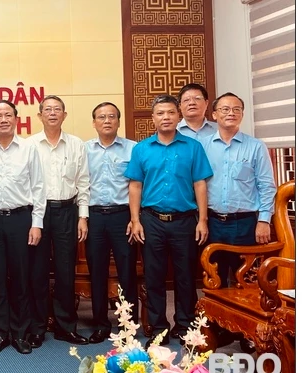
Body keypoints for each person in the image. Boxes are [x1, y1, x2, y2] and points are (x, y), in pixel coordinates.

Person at [125, 95, 212, 348]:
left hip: (185, 221)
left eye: (170, 113)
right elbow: (135, 186)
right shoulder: (141, 149)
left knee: (186, 276)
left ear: (178, 116)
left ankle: (184, 325)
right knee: (153, 276)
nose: (166, 117)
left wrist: (202, 220)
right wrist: (135, 219)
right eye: (160, 113)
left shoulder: (193, 147)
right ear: (153, 118)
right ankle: (158, 327)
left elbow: (200, 184)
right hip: (151, 220)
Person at [0, 100, 46, 355]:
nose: (3, 119)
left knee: (20, 278)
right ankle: (0, 333)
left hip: (21, 219)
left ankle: (20, 333)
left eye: (8, 115)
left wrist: (37, 223)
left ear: (16, 118)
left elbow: (39, 188)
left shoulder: (29, 149)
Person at [28, 95, 89, 348]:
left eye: (57, 110)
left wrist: (83, 216)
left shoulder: (76, 144)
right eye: (47, 110)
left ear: (64, 115)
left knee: (65, 272)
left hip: (67, 211)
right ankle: (37, 327)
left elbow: (84, 182)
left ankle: (66, 327)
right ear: (39, 115)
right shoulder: (29, 145)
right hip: (37, 214)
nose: (52, 113)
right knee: (37, 271)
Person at [201, 92, 277, 288]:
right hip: (213, 222)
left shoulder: (256, 146)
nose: (231, 113)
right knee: (214, 280)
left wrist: (264, 220)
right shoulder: (202, 146)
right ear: (215, 115)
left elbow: (267, 186)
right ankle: (215, 319)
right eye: (225, 109)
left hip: (245, 223)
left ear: (242, 114)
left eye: (237, 109)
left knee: (245, 280)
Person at [83, 102, 139, 344]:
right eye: (101, 117)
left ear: (118, 121)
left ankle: (127, 325)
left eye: (112, 117)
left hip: (122, 216)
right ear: (94, 122)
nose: (107, 121)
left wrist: (135, 218)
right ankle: (100, 324)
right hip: (94, 216)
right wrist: (82, 217)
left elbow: (137, 186)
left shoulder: (133, 149)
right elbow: (80, 184)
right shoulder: (83, 149)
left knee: (127, 272)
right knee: (97, 271)